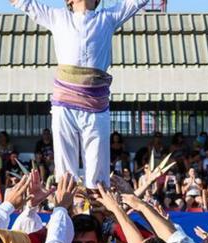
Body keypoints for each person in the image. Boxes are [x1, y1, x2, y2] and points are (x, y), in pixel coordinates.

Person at [12, 0, 149, 189]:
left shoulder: (108, 17)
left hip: (96, 106)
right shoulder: (57, 17)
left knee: (98, 174)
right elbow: (25, 3)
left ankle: (99, 214)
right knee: (65, 172)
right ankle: (65, 212)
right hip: (64, 104)